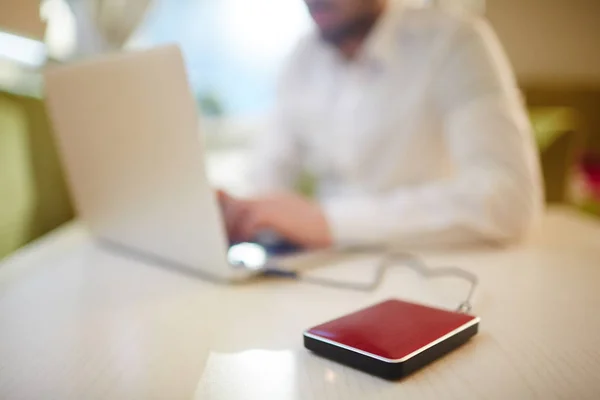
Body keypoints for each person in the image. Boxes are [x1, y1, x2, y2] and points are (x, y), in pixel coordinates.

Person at [219, 0, 543, 250]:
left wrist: (327, 222)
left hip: (431, 266)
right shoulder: (301, 58)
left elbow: (509, 198)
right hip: (319, 271)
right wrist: (240, 211)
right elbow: (268, 170)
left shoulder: (454, 41)